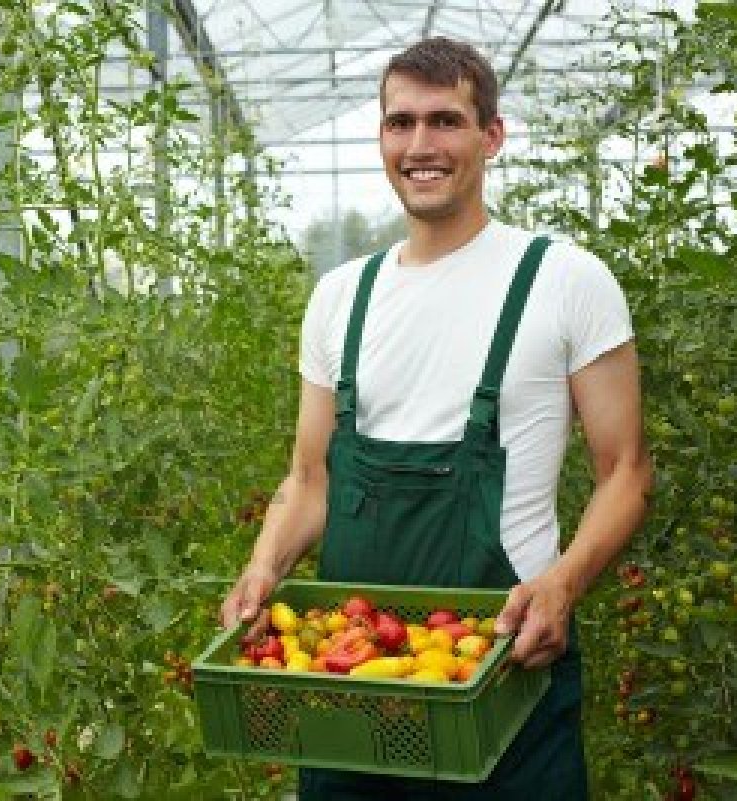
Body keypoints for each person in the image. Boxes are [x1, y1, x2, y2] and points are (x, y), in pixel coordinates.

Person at [218, 36, 652, 799]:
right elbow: (309, 479)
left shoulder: (563, 280)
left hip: (504, 683)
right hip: (348, 688)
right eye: (400, 123)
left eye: (445, 121)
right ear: (382, 137)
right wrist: (264, 565)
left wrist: (561, 585)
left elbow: (626, 472)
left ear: (491, 136)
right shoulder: (340, 298)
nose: (421, 145)